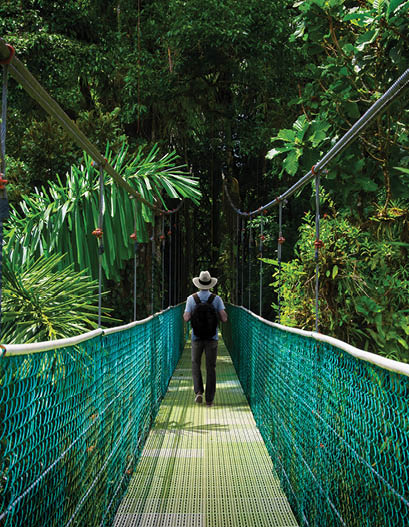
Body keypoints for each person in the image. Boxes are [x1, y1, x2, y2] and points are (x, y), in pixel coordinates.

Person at [183, 270, 228, 406]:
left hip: (196, 337)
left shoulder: (192, 299)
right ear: (210, 284)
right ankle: (209, 399)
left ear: (198, 284)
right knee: (211, 367)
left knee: (195, 364)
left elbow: (186, 318)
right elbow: (224, 318)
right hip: (212, 338)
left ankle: (198, 392)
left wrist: (192, 314)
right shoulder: (216, 299)